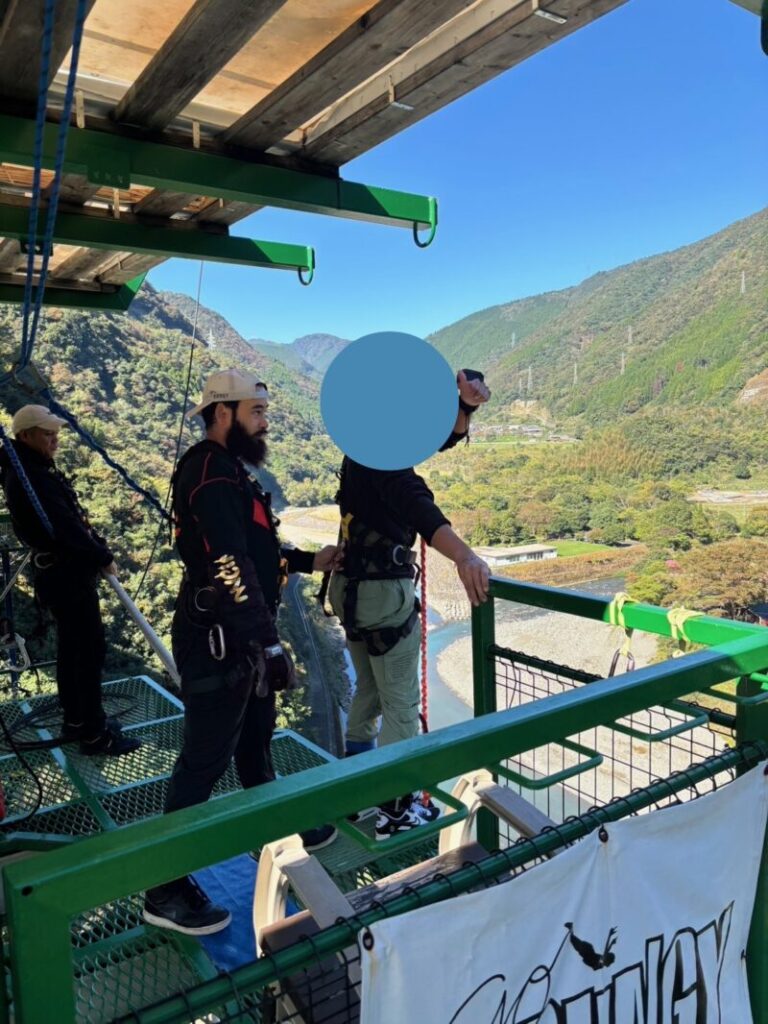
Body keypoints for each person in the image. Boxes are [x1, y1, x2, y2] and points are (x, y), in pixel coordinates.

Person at [144, 369, 341, 937]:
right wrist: (268, 642)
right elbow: (228, 564)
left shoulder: (226, 468)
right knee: (205, 757)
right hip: (220, 640)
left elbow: (254, 547)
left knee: (256, 737)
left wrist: (307, 562)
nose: (266, 421)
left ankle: (271, 827)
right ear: (223, 412)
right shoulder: (210, 473)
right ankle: (163, 887)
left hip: (237, 634)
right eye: (257, 411)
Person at [328, 370, 491, 840]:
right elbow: (419, 507)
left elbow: (437, 440)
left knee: (368, 691)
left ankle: (359, 794)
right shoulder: (386, 462)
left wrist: (465, 407)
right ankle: (395, 811)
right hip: (382, 595)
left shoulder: (362, 450)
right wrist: (464, 556)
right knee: (401, 706)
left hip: (349, 588)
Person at [0, 404, 141, 755]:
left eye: (55, 434)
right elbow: (65, 527)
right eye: (47, 434)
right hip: (66, 575)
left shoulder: (27, 470)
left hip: (58, 573)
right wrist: (102, 556)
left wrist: (96, 549)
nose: (55, 441)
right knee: (88, 652)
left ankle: (78, 721)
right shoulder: (30, 477)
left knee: (73, 649)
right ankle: (94, 734)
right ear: (26, 436)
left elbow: (66, 523)